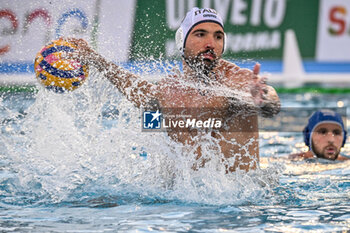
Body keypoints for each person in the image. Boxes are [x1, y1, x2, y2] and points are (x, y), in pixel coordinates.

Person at [66, 7, 280, 172]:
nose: (210, 44)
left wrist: (262, 97)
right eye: (200, 34)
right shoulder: (170, 89)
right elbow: (141, 93)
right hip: (185, 203)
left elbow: (271, 104)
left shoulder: (234, 78)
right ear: (182, 40)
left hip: (238, 206)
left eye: (218, 36)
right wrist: (96, 60)